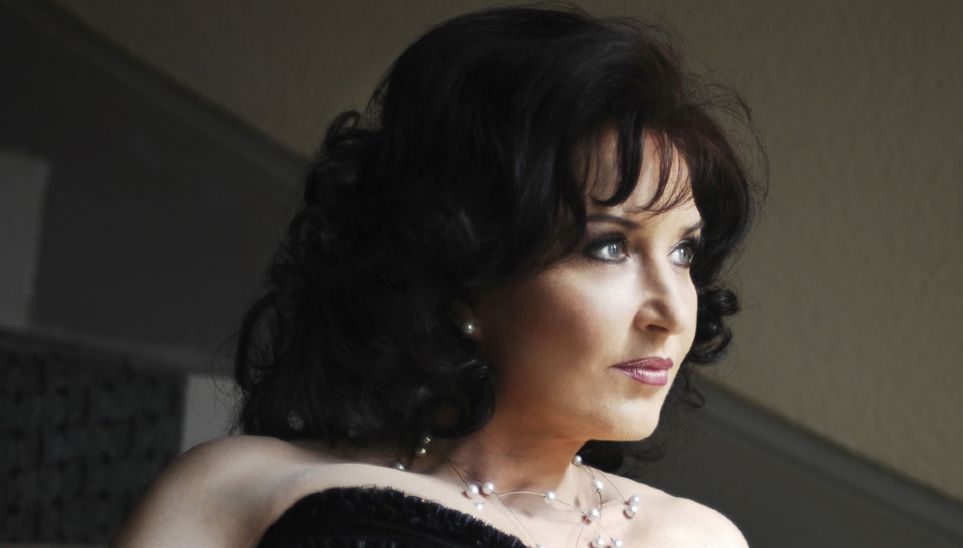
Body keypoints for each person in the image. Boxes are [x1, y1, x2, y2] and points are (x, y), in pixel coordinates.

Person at [114, 5, 762, 547]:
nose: (672, 313)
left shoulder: (693, 540)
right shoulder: (238, 488)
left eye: (683, 253)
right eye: (610, 247)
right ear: (464, 268)